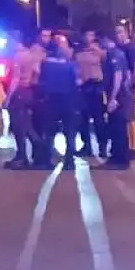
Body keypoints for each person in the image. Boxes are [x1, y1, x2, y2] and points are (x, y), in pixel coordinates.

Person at [37, 34, 81, 171]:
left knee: (49, 132)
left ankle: (47, 160)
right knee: (70, 133)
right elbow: (78, 82)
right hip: (68, 101)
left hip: (50, 101)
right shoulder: (71, 65)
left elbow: (41, 82)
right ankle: (69, 161)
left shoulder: (46, 65)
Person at [3, 30, 45, 170]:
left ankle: (24, 156)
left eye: (8, 40)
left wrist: (8, 98)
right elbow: (37, 71)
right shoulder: (30, 54)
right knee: (26, 124)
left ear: (14, 40)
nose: (7, 43)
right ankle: (28, 154)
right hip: (28, 92)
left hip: (19, 93)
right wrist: (31, 82)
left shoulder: (17, 56)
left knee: (18, 126)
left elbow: (15, 78)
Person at [100, 32, 133, 169]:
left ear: (106, 39)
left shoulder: (114, 55)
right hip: (121, 95)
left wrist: (113, 98)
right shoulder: (117, 54)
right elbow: (128, 75)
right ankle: (116, 157)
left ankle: (120, 160)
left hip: (118, 97)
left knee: (118, 129)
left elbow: (117, 76)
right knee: (116, 127)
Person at [75, 30, 106, 158]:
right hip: (83, 87)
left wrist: (97, 50)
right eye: (88, 35)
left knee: (99, 120)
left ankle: (102, 146)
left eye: (92, 35)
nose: (90, 37)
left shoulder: (99, 51)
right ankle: (86, 146)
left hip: (96, 87)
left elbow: (106, 61)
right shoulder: (79, 51)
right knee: (83, 120)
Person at [115, 24, 135, 160]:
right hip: (124, 87)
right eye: (116, 33)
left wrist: (129, 83)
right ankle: (129, 147)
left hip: (129, 88)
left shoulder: (130, 48)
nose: (117, 35)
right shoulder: (121, 48)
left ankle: (134, 148)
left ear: (126, 33)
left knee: (131, 117)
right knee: (127, 117)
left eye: (120, 32)